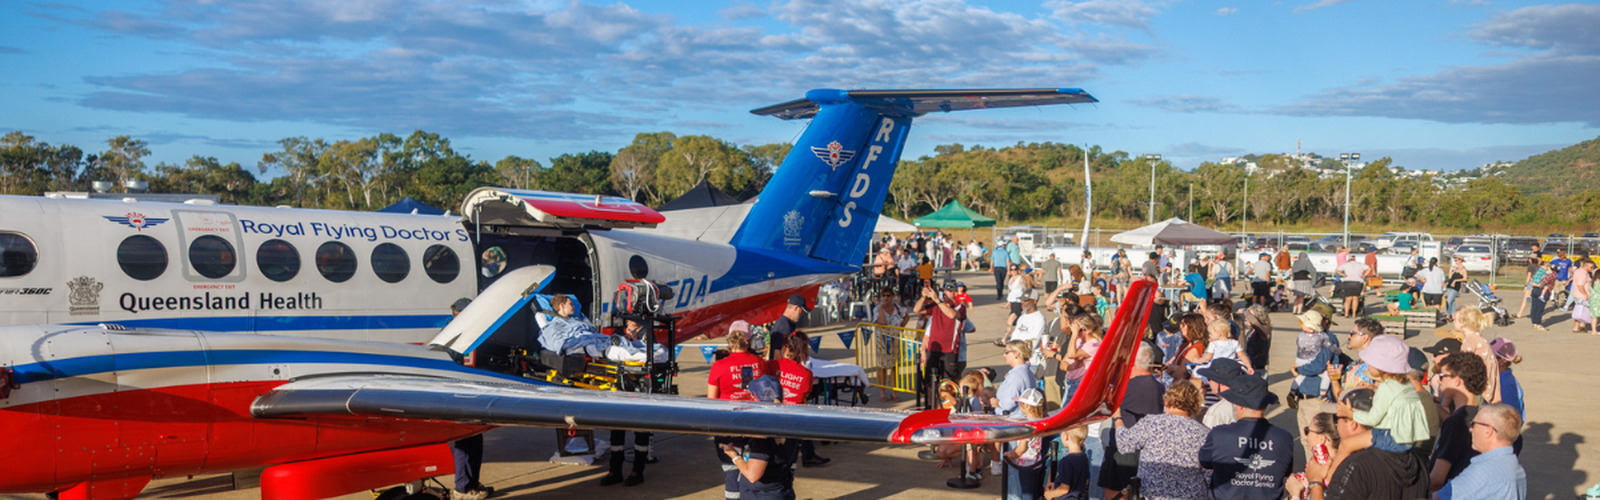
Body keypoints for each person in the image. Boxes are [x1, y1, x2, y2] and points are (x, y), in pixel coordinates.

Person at [1304, 388, 1429, 500]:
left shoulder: (1356, 466)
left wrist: (1315, 482)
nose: (1336, 425)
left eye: (1338, 418)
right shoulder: (1414, 459)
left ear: (1353, 423)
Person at [1198, 375, 1293, 500]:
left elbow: (1203, 462)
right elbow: (1285, 471)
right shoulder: (1284, 438)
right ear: (1266, 405)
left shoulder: (1219, 435)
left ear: (1239, 406)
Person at [1112, 382, 1210, 500]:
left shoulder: (1152, 422)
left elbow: (1124, 444)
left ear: (1167, 401)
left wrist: (1117, 418)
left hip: (1154, 494)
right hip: (1191, 494)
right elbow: (1209, 472)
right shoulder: (1204, 433)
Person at [1097, 342, 1166, 499]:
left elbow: (1102, 408)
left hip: (1123, 447)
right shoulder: (1159, 386)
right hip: (1147, 449)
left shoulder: (1124, 387)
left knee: (1115, 494)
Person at [708, 322, 769, 499]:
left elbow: (712, 402)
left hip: (727, 426)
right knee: (751, 477)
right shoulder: (758, 363)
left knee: (731, 476)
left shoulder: (718, 366)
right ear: (748, 340)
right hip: (753, 426)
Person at [447, 298, 495, 500]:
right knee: (465, 444)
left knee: (475, 441)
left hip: (472, 395)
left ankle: (472, 483)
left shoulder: (470, 332)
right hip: (459, 397)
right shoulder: (452, 336)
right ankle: (463, 489)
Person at [1436, 404, 1527, 500]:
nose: (1470, 429)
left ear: (1488, 431)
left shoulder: (1482, 473)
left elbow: (1440, 498)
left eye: (1473, 424)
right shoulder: (1516, 468)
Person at [1429, 351, 1488, 491]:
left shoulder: (1456, 423)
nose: (1439, 380)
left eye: (1443, 376)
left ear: (1457, 380)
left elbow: (1437, 479)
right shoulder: (1481, 415)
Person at [918, 281, 968, 409]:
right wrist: (924, 297)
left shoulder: (959, 307)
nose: (945, 293)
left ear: (955, 293)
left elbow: (952, 315)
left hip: (949, 351)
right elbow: (917, 309)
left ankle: (948, 409)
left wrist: (937, 300)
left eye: (949, 290)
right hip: (933, 350)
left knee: (947, 384)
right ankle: (929, 408)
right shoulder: (936, 305)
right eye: (943, 290)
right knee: (929, 383)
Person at [1001, 389, 1052, 500]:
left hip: (1026, 465)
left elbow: (1021, 449)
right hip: (1037, 462)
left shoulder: (1026, 426)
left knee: (1027, 494)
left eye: (1021, 404)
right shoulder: (1040, 421)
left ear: (1027, 406)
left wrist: (1010, 455)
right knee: (1034, 492)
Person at [723, 435, 800, 500]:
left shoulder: (762, 441)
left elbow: (752, 475)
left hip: (761, 494)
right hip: (781, 490)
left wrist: (735, 457)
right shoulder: (789, 434)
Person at [1285, 413, 1340, 500]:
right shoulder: (1346, 464)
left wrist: (1295, 493)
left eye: (1307, 430)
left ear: (1321, 438)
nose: (1306, 435)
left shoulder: (1328, 476)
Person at [1489, 338, 1525, 452]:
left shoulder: (1506, 385)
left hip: (1503, 441)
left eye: (1490, 356)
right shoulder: (1499, 380)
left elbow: (1509, 418)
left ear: (1502, 361)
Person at [1043, 425, 1090, 500]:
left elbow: (1064, 489)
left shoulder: (1066, 461)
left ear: (1066, 436)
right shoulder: (1084, 457)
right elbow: (1086, 482)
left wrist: (1050, 495)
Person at [994, 340, 1038, 418]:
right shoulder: (1026, 372)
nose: (1004, 355)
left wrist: (997, 403)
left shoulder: (1016, 375)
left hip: (1012, 421)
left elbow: (1009, 404)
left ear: (1016, 353)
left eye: (1006, 352)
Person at [769, 295, 807, 366]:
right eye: (802, 312)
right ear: (796, 308)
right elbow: (777, 354)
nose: (802, 315)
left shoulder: (785, 322)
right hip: (780, 370)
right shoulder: (784, 327)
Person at [1241, 304, 1272, 375]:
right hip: (1250, 366)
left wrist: (1245, 311)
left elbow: (1254, 322)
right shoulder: (1252, 330)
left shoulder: (1265, 330)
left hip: (1258, 368)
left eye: (1249, 316)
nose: (1246, 318)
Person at [1527, 258, 1555, 331]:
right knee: (1539, 308)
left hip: (1535, 289)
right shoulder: (1551, 274)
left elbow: (1532, 278)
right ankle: (1538, 323)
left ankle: (1534, 323)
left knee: (1534, 307)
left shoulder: (1538, 271)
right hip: (1542, 290)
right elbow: (1547, 281)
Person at [1572, 260, 1595, 332]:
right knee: (1581, 311)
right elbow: (1580, 285)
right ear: (1586, 266)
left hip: (1579, 294)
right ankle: (1576, 327)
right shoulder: (1582, 274)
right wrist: (1585, 294)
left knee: (1583, 311)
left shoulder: (1580, 271)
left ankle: (1582, 326)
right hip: (1581, 295)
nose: (1592, 269)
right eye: (1591, 267)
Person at [1446, 256, 1469, 321]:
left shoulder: (1463, 269)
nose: (1455, 262)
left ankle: (1448, 314)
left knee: (1448, 300)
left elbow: (1465, 279)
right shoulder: (1456, 268)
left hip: (1455, 287)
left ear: (1460, 260)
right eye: (1455, 260)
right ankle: (1453, 315)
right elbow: (1450, 277)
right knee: (1452, 301)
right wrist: (1451, 270)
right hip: (1450, 286)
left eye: (1456, 260)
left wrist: (1455, 281)